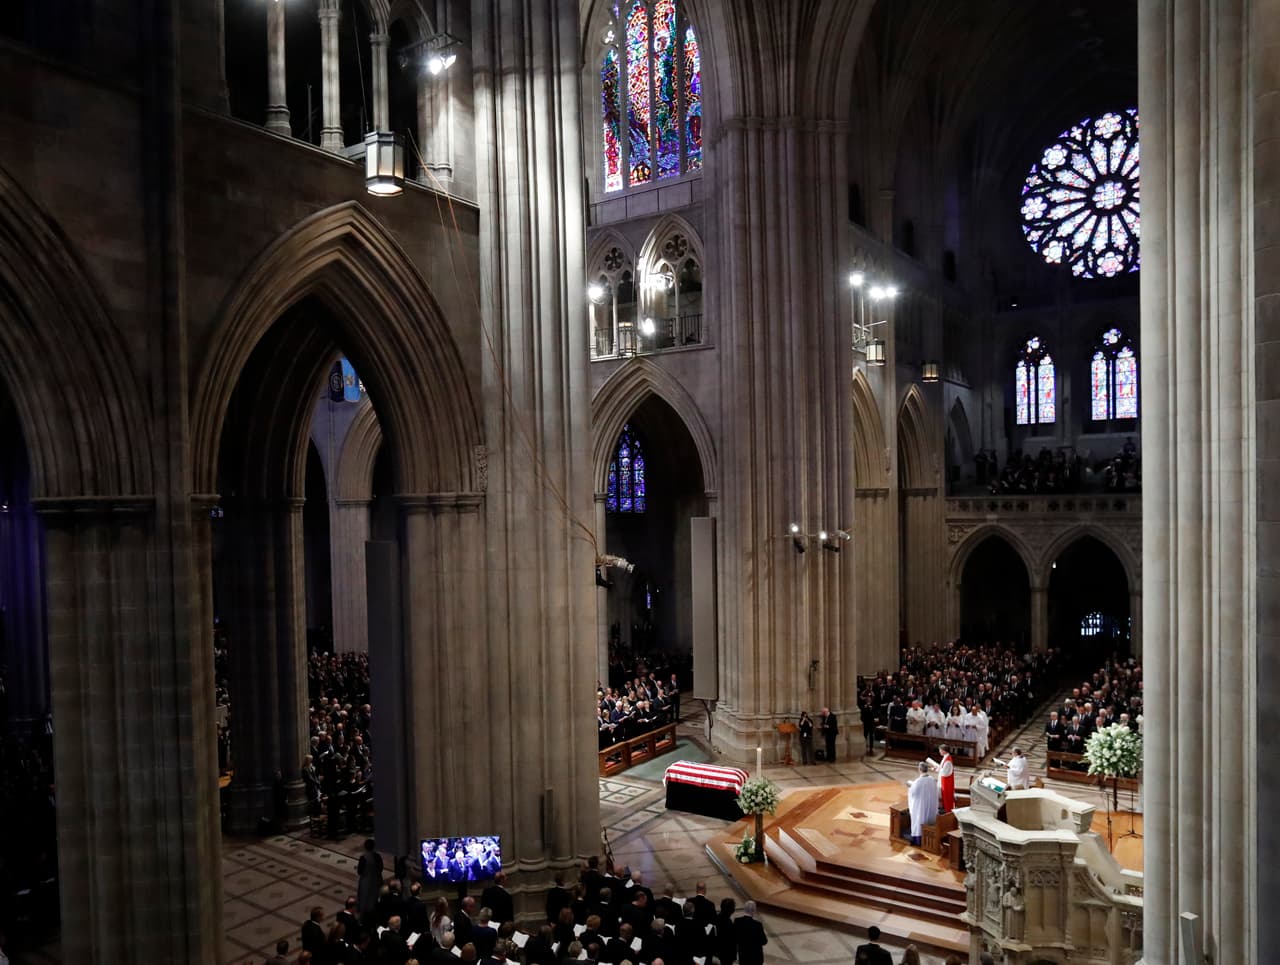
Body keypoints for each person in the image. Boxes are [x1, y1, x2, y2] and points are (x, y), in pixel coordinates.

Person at [905, 761, 938, 847]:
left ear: (920, 770)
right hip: (930, 805)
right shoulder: (932, 780)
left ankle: (918, 840)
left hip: (921, 807)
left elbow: (913, 794)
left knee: (920, 821)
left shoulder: (917, 782)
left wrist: (910, 788)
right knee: (928, 819)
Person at [732, 901, 767, 965]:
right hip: (756, 957)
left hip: (743, 955)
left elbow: (734, 938)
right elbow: (764, 941)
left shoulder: (737, 921)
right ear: (754, 911)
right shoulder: (757, 925)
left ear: (744, 909)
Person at [357, 839, 384, 922]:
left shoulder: (363, 858)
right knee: (375, 899)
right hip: (376, 880)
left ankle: (363, 920)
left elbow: (359, 871)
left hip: (365, 881)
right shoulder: (377, 856)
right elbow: (381, 868)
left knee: (364, 899)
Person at [929, 744, 955, 812]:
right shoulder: (945, 757)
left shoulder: (948, 761)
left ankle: (947, 810)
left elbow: (945, 772)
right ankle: (942, 807)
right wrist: (937, 767)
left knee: (946, 796)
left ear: (944, 751)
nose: (939, 751)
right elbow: (942, 768)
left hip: (946, 782)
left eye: (940, 750)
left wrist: (936, 769)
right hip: (943, 780)